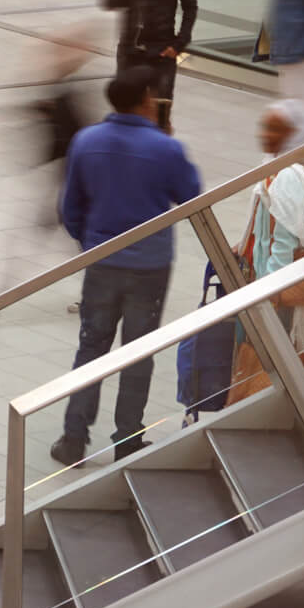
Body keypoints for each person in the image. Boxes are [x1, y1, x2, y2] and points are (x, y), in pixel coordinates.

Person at [50, 66, 202, 466]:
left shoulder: (86, 141)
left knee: (91, 348)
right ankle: (128, 439)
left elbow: (70, 207)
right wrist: (167, 142)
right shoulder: (164, 148)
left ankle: (73, 438)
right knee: (138, 353)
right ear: (146, 100)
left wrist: (91, 243)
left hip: (102, 262)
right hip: (149, 266)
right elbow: (191, 195)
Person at [241, 102, 304, 371]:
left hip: (280, 297)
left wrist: (266, 295)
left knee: (276, 367)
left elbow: (284, 246)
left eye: (275, 129)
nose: (265, 134)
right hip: (280, 293)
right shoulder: (275, 167)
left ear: (294, 137)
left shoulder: (287, 178)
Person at [101, 0, 197, 132]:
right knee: (126, 113)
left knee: (160, 114)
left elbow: (190, 7)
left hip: (162, 52)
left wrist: (179, 44)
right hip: (130, 52)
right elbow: (107, 1)